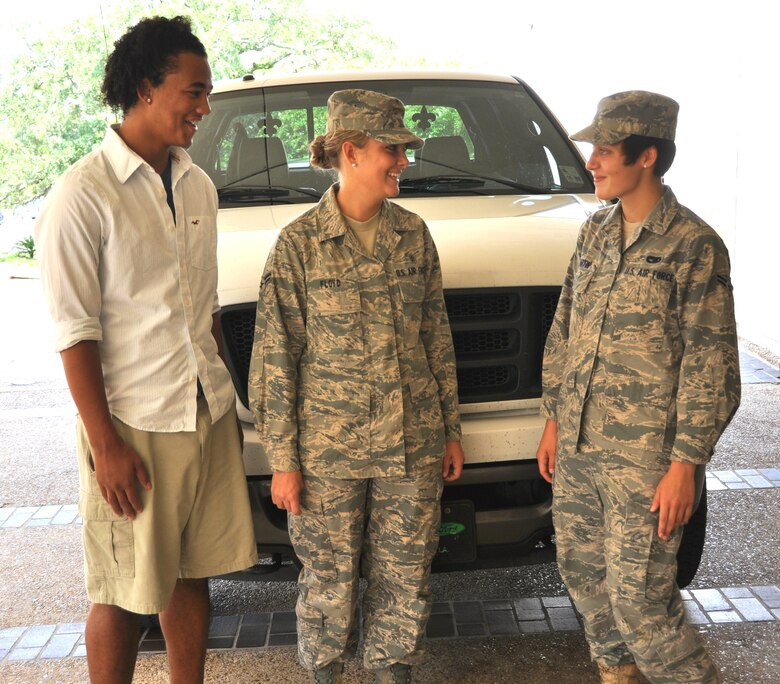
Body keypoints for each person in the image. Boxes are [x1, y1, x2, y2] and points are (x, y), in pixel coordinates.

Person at [35, 16, 257, 684]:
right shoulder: (83, 196)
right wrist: (106, 446)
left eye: (207, 92)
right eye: (194, 91)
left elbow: (206, 308)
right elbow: (75, 332)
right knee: (122, 590)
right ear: (145, 87)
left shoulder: (198, 187)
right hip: (131, 422)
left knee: (190, 577)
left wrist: (233, 403)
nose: (204, 108)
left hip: (203, 411)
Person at [249, 89, 465, 684]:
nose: (403, 161)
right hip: (328, 455)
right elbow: (274, 362)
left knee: (405, 577)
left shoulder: (414, 236)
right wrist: (284, 462)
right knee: (328, 581)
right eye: (392, 149)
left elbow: (436, 341)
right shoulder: (298, 245)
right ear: (351, 152)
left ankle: (393, 674)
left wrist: (450, 431)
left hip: (411, 448)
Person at [536, 91, 740, 684]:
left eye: (604, 150)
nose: (592, 163)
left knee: (643, 601)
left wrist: (687, 463)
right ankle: (617, 675)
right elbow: (565, 330)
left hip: (645, 461)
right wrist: (553, 420)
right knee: (583, 577)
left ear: (646, 155)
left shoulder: (694, 245)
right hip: (577, 447)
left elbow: (712, 365)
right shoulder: (594, 233)